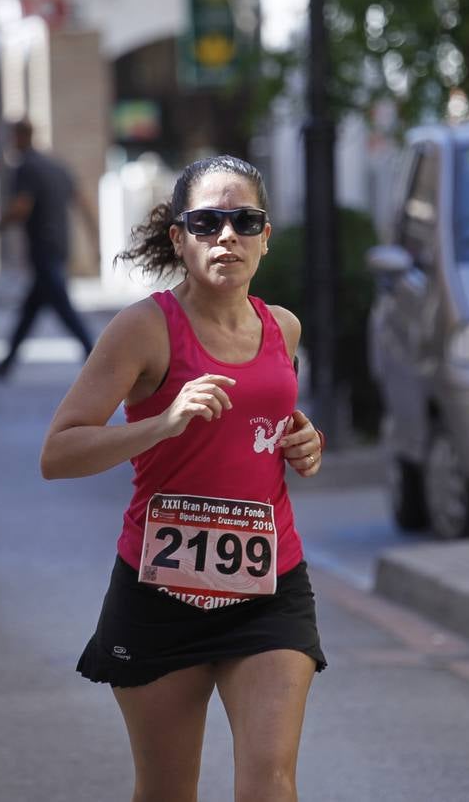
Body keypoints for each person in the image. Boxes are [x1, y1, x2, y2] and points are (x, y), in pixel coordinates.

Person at [40, 155, 327, 802]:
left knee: (270, 781)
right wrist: (161, 423)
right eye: (206, 222)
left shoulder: (282, 327)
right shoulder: (142, 329)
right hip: (161, 584)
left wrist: (304, 439)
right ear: (178, 237)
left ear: (265, 234)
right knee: (169, 788)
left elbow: (265, 417)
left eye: (244, 220)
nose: (227, 236)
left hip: (268, 580)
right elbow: (58, 453)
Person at [0, 119, 93, 379]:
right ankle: (6, 364)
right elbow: (83, 201)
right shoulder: (55, 165)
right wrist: (93, 238)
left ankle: (95, 355)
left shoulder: (26, 167)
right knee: (30, 309)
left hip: (44, 248)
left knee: (63, 309)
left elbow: (21, 206)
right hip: (59, 245)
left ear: (18, 137)